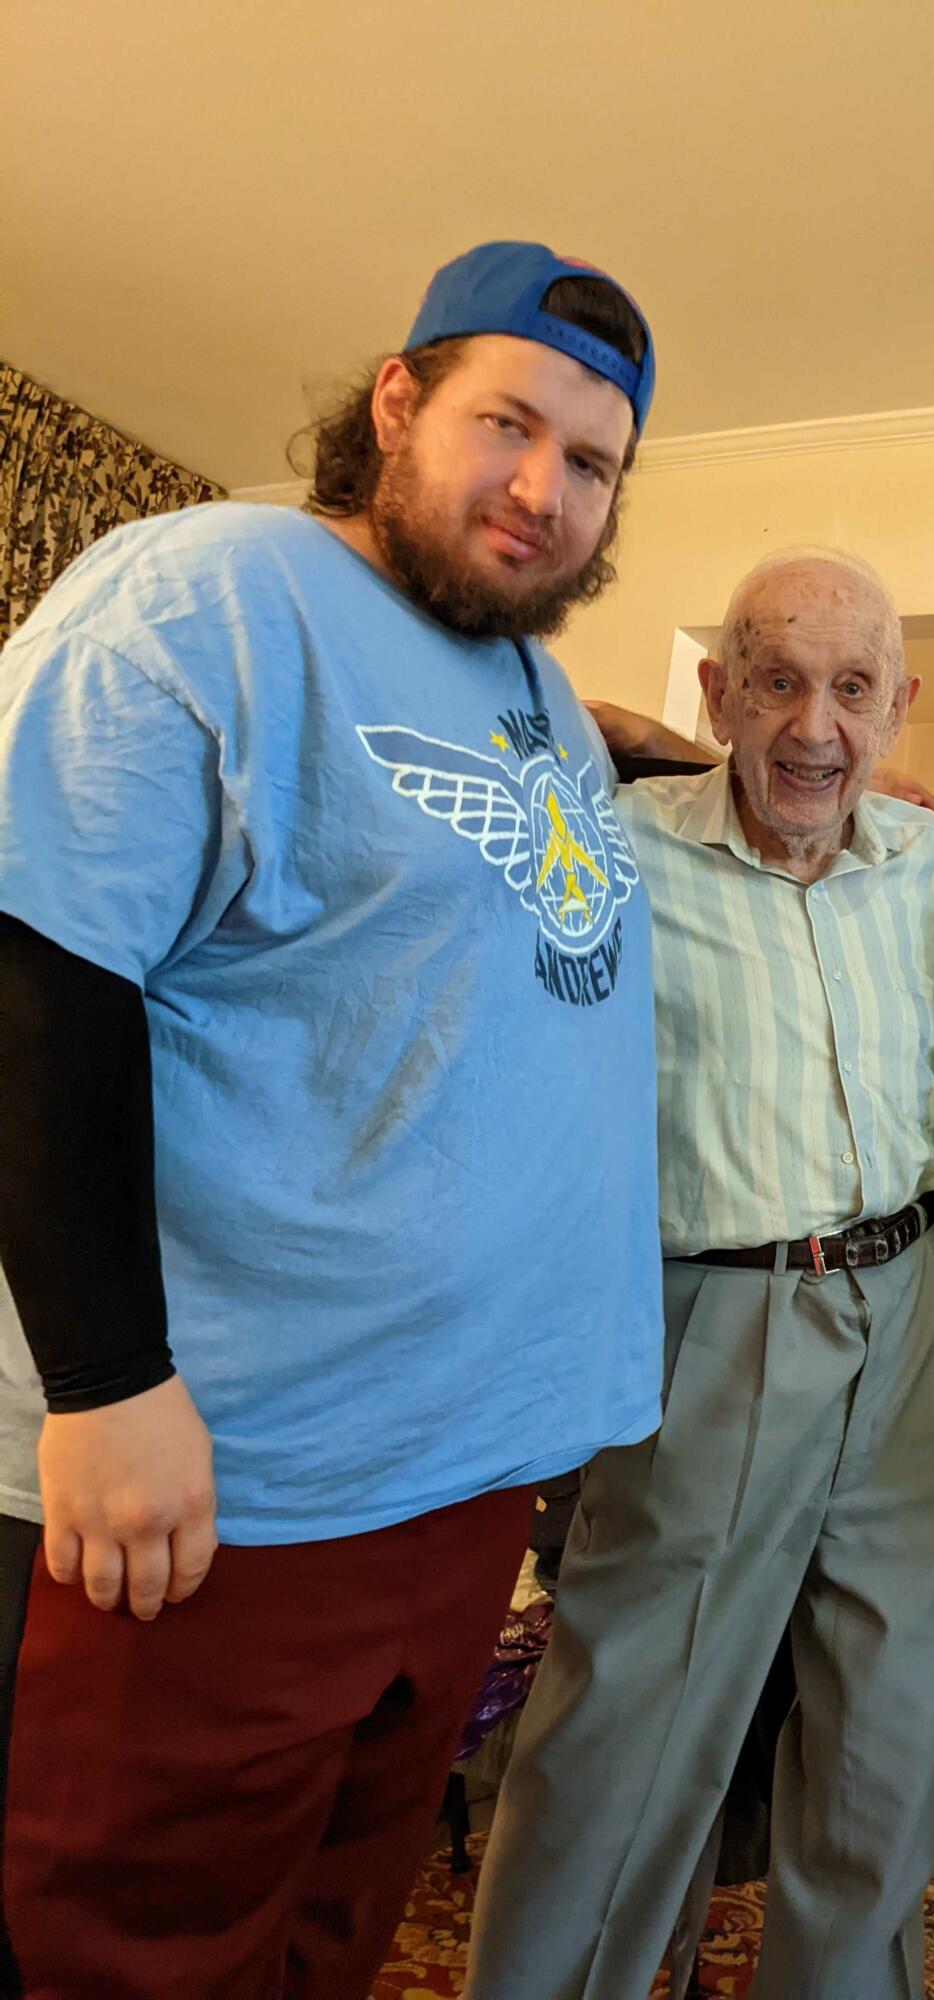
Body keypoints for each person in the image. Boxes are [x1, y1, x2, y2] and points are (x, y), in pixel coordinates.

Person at [0, 239, 665, 1999]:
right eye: (506, 424)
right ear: (396, 400)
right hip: (231, 1488)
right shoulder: (206, 591)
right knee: (139, 1954)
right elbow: (34, 970)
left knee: (326, 1936)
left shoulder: (527, 685)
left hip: (452, 1482)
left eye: (591, 462)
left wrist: (700, 761)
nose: (542, 490)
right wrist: (107, 1383)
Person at [464, 549, 934, 1999]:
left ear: (900, 705)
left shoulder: (929, 862)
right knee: (627, 1729)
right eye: (776, 683)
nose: (816, 725)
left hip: (915, 1309)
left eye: (854, 689)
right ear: (718, 692)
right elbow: (514, 737)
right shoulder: (617, 848)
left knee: (882, 1745)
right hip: (718, 1309)